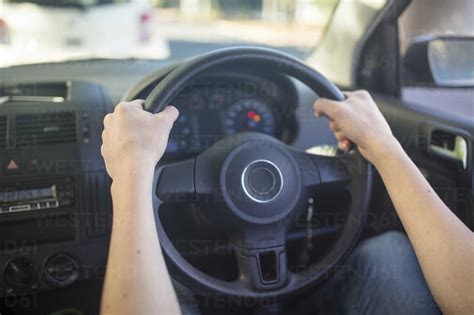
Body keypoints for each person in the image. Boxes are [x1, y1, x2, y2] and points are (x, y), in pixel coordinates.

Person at [99, 91, 473, 315]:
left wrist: (133, 168)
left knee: (174, 290)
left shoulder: (138, 164)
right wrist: (382, 145)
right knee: (388, 252)